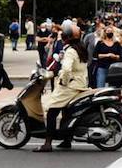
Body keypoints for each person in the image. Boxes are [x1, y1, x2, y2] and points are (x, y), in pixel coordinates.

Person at [35, 21, 90, 153]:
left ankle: (47, 143)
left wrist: (63, 82)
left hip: (71, 86)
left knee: (52, 111)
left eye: (64, 36)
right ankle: (66, 140)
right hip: (80, 84)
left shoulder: (71, 51)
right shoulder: (80, 48)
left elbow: (66, 70)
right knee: (66, 112)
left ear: (67, 38)